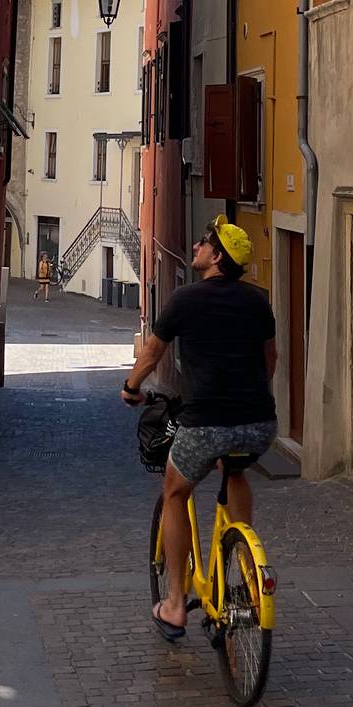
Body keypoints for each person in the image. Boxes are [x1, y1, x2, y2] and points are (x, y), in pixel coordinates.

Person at [121, 215, 277, 641]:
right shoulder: (259, 302)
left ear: (218, 257)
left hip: (205, 422)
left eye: (205, 241)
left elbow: (151, 356)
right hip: (260, 423)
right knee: (237, 469)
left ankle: (173, 605)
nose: (196, 246)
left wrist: (131, 387)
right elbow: (270, 361)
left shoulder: (184, 300)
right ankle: (244, 564)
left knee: (174, 491)